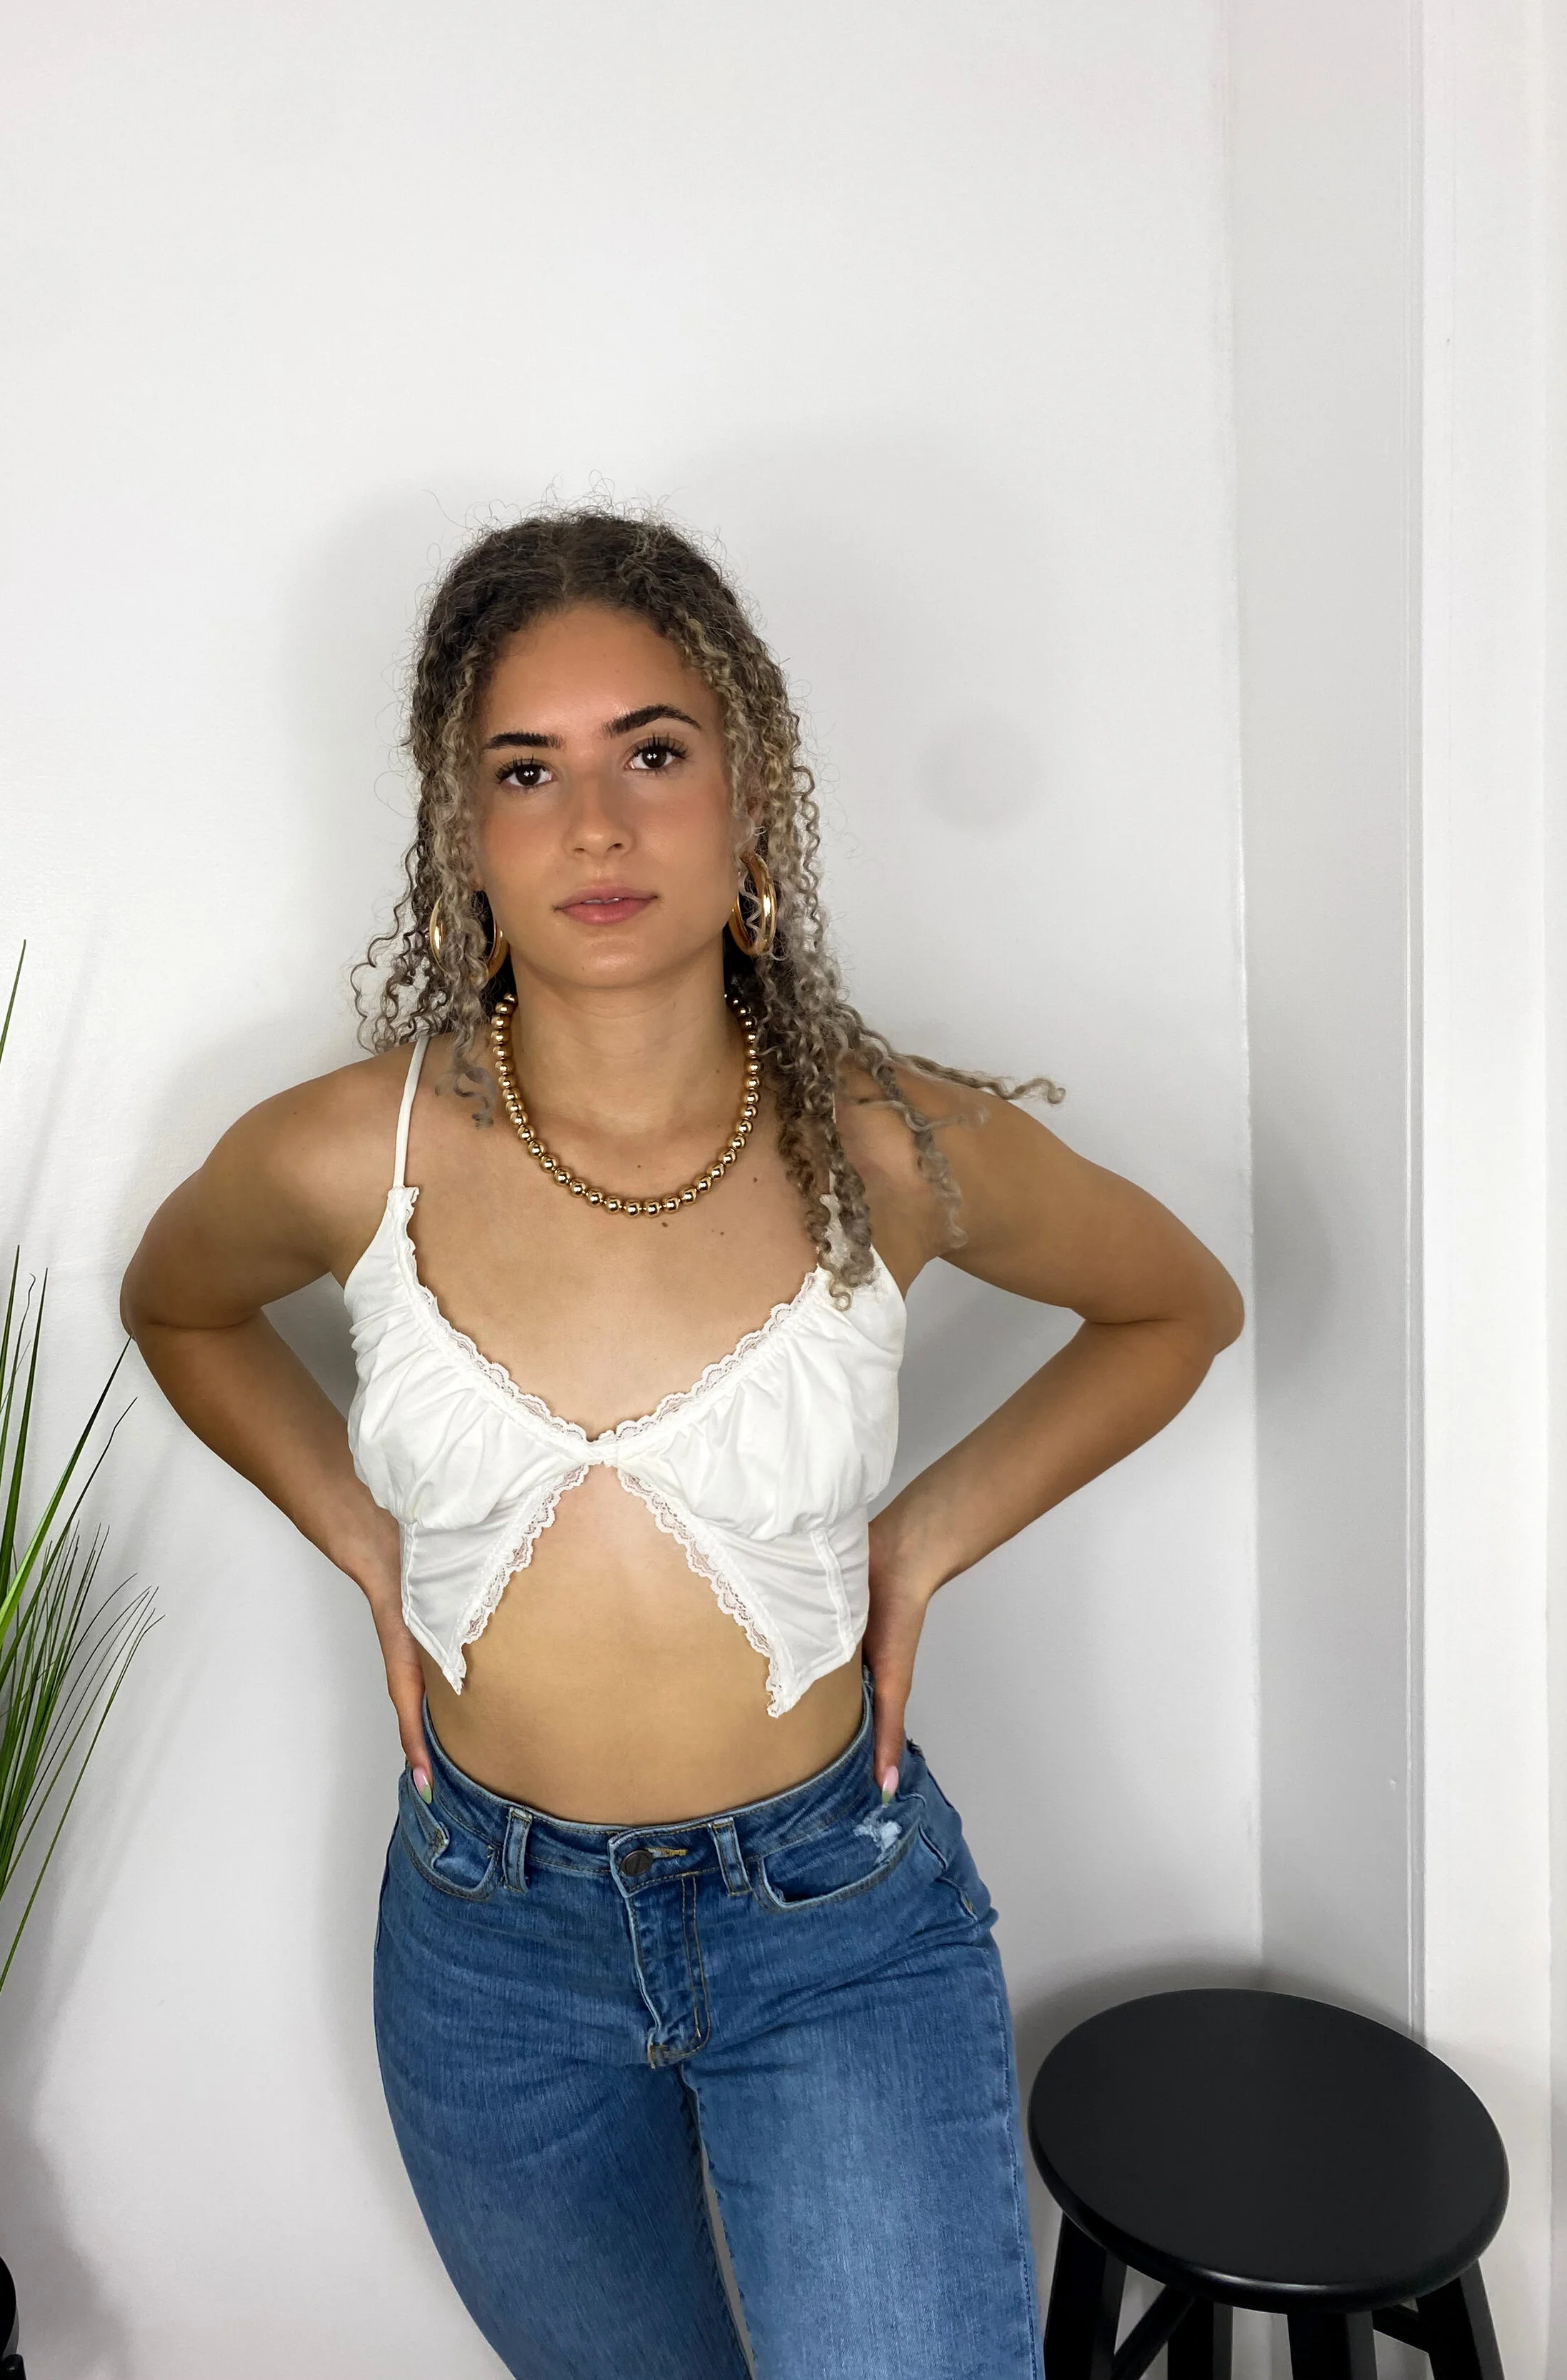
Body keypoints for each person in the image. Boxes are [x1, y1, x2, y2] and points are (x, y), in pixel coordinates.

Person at [119, 509, 1243, 2380]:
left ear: (748, 790)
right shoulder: (340, 1154)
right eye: (524, 770)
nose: (594, 824)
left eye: (651, 750)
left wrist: (920, 1544)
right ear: (462, 832)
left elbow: (1174, 1305)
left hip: (834, 1927)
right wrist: (369, 1546)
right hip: (488, 1944)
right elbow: (178, 1308)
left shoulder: (890, 1146)